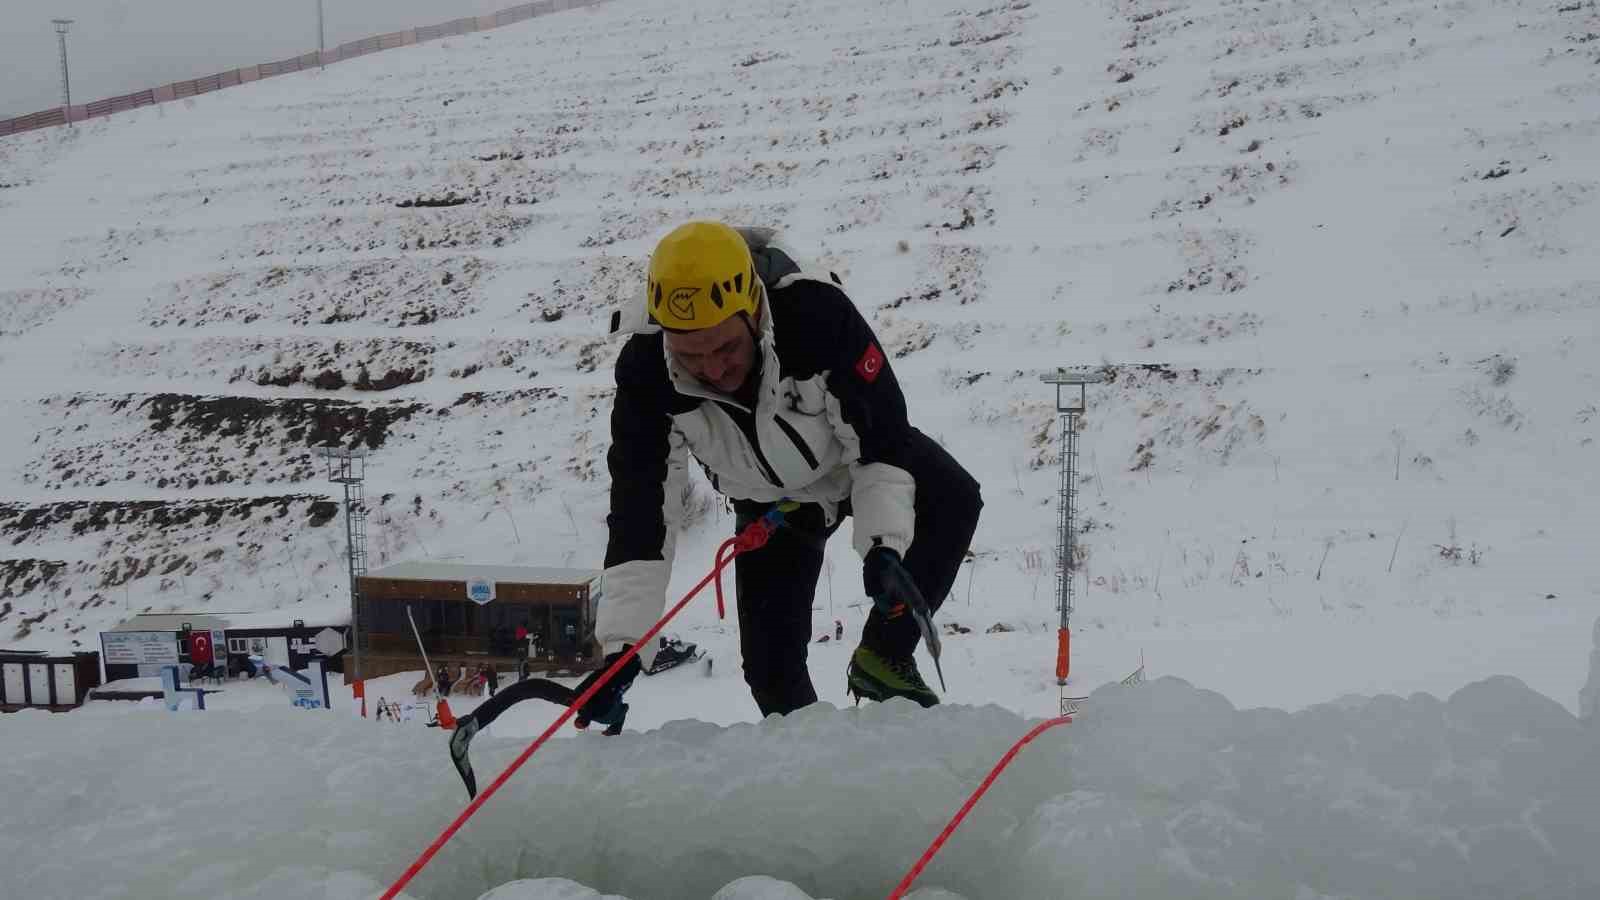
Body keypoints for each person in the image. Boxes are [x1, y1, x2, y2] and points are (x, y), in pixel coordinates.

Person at [576, 221, 982, 729]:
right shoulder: (645, 372)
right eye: (690, 356)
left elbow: (881, 441)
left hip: (850, 462)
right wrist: (623, 648)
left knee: (953, 496)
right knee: (770, 670)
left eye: (726, 348)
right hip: (768, 501)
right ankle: (817, 764)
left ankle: (885, 654)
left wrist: (883, 547)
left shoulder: (816, 315)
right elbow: (641, 514)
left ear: (754, 312)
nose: (713, 370)